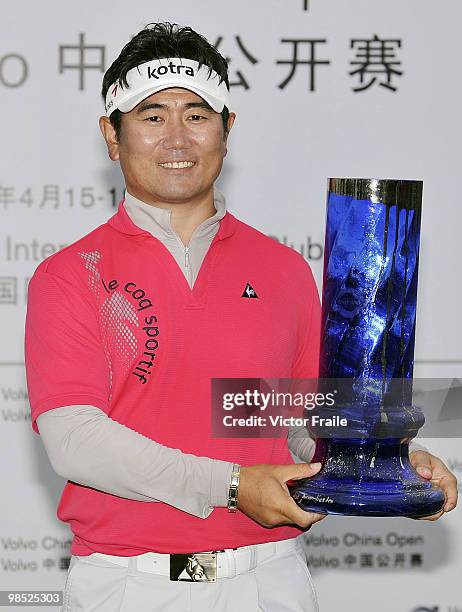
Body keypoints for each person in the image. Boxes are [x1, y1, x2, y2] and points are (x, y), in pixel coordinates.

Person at [24, 22, 458, 612]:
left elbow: (302, 426)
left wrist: (383, 460)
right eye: (152, 117)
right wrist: (230, 487)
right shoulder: (70, 274)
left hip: (269, 581)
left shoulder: (283, 269)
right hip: (126, 586)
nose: (176, 138)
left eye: (197, 116)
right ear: (111, 133)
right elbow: (74, 440)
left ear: (228, 130)